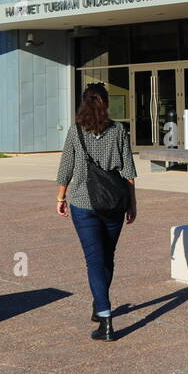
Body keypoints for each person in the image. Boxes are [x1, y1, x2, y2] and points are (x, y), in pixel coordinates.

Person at [56, 83, 137, 341]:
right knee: (107, 257)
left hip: (83, 203)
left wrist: (60, 197)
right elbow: (129, 172)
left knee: (94, 260)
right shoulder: (118, 130)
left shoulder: (75, 131)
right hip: (114, 202)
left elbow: (65, 167)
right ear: (106, 103)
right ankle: (100, 302)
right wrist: (133, 204)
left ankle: (105, 319)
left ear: (83, 103)